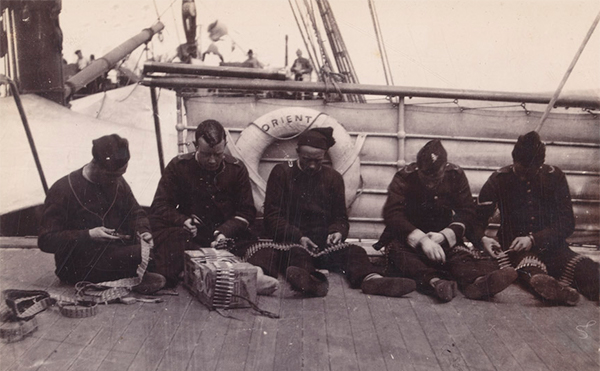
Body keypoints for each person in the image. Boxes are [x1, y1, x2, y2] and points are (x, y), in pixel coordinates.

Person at [244, 127, 416, 298]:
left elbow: (341, 217)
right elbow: (273, 217)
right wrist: (298, 237)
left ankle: (372, 280)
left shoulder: (333, 178)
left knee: (355, 252)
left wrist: (337, 231)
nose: (312, 165)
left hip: (324, 245)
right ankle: (310, 281)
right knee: (295, 255)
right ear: (297, 153)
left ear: (325, 156)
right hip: (292, 242)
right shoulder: (282, 173)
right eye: (306, 159)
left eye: (318, 160)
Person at [375, 139, 517, 302]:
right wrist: (421, 240)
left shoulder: (455, 175)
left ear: (445, 167)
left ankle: (477, 284)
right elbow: (393, 213)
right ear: (418, 168)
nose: (430, 183)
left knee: (459, 256)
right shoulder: (405, 176)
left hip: (441, 235)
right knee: (402, 256)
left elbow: (467, 211)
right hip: (407, 237)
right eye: (425, 176)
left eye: (435, 177)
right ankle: (436, 283)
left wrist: (445, 235)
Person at [150, 119, 278, 294]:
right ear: (195, 146)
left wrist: (225, 231)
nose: (212, 161)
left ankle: (248, 276)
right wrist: (183, 220)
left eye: (218, 154)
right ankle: (240, 278)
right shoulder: (178, 166)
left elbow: (247, 211)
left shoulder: (236, 169)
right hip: (192, 234)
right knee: (171, 246)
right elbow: (160, 205)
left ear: (224, 145)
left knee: (262, 251)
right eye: (206, 154)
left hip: (227, 234)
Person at [473, 131, 599, 305]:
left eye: (529, 173)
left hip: (553, 247)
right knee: (533, 271)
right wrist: (483, 239)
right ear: (513, 160)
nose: (524, 177)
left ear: (541, 165)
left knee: (586, 269)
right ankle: (559, 292)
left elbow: (567, 223)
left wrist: (534, 239)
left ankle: (569, 291)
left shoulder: (555, 177)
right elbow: (477, 221)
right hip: (515, 249)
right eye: (520, 171)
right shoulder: (499, 180)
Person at [38, 134, 165, 294]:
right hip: (77, 263)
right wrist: (89, 235)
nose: (117, 180)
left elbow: (136, 213)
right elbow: (46, 240)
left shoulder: (117, 181)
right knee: (150, 257)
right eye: (112, 176)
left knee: (164, 242)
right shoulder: (63, 189)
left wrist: (143, 231)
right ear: (96, 164)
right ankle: (136, 277)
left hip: (112, 252)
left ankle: (136, 275)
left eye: (121, 175)